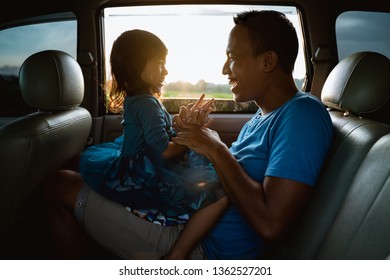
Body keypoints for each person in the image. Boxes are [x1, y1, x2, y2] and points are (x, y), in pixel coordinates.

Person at [45, 10, 333, 260]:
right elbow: (225, 176)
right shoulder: (259, 118)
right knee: (74, 166)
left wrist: (215, 148)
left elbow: (271, 224)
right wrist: (192, 135)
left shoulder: (302, 114)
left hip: (206, 249)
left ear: (268, 62)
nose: (224, 69)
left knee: (58, 186)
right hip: (189, 220)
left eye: (232, 58)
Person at [44, 29, 227, 260]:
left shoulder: (141, 100)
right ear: (136, 66)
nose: (166, 70)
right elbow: (162, 151)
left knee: (76, 164)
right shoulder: (147, 104)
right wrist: (191, 138)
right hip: (143, 171)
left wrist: (183, 129)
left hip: (137, 158)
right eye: (160, 64)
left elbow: (159, 137)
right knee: (205, 190)